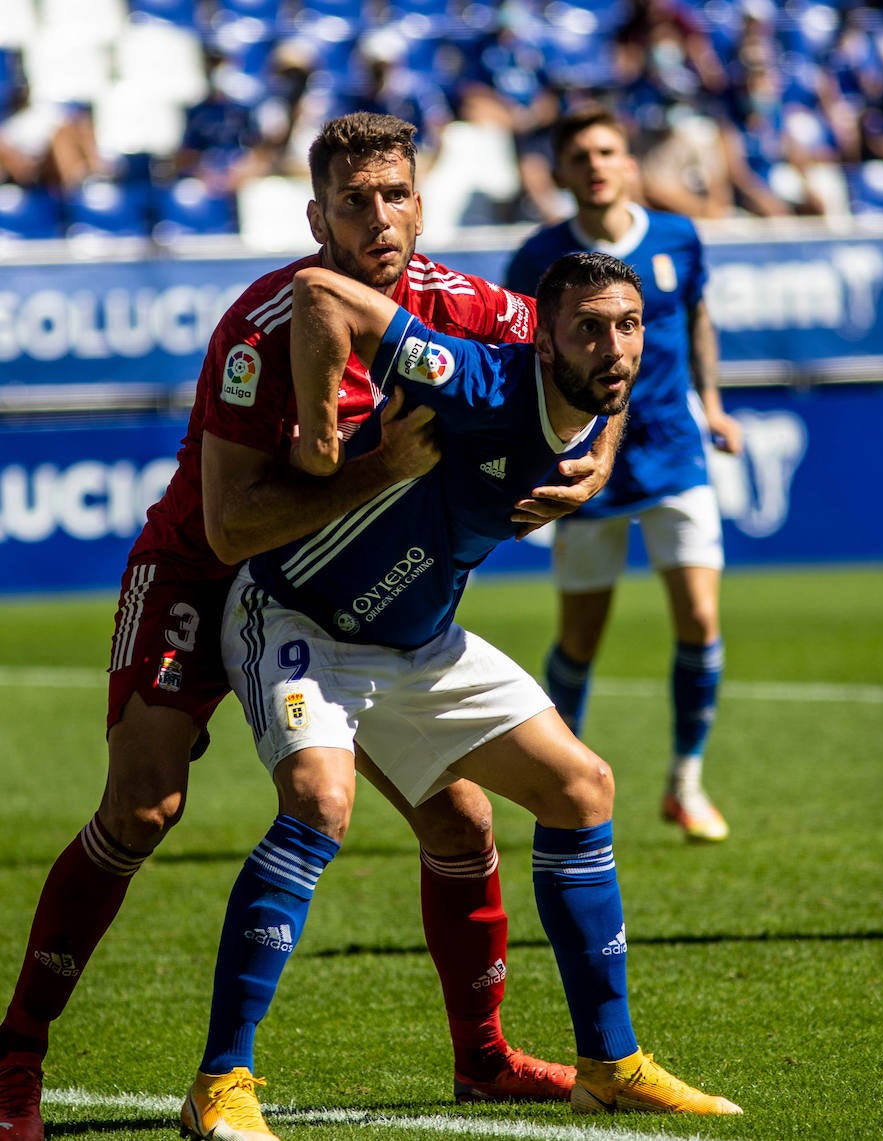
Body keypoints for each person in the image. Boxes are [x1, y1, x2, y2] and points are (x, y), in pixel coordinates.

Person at [0, 112, 615, 1141]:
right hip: (205, 573)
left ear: (420, 199)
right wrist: (384, 469)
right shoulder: (263, 326)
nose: (380, 218)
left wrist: (599, 448)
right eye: (355, 200)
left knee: (461, 823)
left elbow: (587, 342)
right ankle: (18, 1050)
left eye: (396, 194)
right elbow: (234, 521)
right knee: (143, 809)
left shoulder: (463, 305)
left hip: (345, 599)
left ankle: (485, 1059)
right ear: (317, 215)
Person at [200, 251, 743, 1128]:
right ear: (542, 340)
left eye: (629, 327)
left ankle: (609, 1062)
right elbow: (317, 294)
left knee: (581, 788)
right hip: (304, 618)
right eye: (590, 330)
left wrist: (601, 457)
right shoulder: (477, 377)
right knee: (318, 802)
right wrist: (319, 430)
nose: (615, 348)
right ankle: (221, 1083)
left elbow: (612, 386)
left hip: (420, 641)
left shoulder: (594, 392)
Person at [505, 104, 744, 844]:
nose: (597, 165)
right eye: (581, 156)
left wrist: (712, 402)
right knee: (580, 640)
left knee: (701, 620)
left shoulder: (677, 237)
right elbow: (522, 358)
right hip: (582, 465)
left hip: (674, 452)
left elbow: (696, 317)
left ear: (630, 163)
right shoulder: (538, 258)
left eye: (608, 151)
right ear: (563, 173)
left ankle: (686, 781)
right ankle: (559, 771)